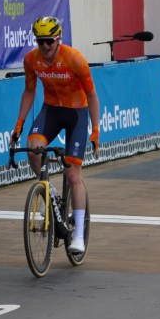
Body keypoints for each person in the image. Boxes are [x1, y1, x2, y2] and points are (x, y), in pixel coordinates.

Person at [11, 16, 100, 255]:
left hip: (76, 114)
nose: (45, 47)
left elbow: (92, 95)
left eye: (49, 41)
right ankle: (49, 194)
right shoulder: (31, 60)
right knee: (32, 148)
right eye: (40, 42)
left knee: (73, 174)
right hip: (51, 110)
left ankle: (79, 234)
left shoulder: (74, 59)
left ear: (58, 38)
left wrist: (95, 130)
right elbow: (29, 90)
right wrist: (19, 124)